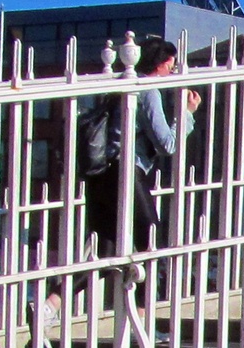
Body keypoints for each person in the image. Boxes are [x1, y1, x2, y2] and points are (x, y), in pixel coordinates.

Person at [85, 40, 200, 259]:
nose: (172, 71)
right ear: (162, 65)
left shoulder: (120, 86)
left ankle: (54, 296)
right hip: (125, 171)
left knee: (104, 255)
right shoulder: (148, 91)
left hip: (101, 174)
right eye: (171, 66)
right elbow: (167, 144)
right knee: (152, 241)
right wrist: (187, 113)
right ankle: (152, 294)